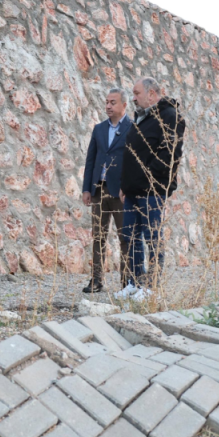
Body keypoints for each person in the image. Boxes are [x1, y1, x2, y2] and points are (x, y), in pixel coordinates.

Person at [118, 77, 186, 301]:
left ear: (152, 94)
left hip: (151, 191)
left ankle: (152, 287)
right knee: (132, 237)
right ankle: (135, 283)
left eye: (137, 93)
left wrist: (148, 181)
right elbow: (132, 154)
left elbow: (169, 155)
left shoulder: (170, 116)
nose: (134, 98)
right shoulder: (142, 118)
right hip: (132, 191)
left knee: (152, 237)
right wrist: (125, 185)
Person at [81, 88, 133, 293]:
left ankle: (127, 283)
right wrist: (87, 188)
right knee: (98, 236)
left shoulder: (133, 128)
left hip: (121, 193)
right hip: (99, 191)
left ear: (124, 105)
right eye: (107, 102)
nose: (108, 106)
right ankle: (96, 281)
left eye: (113, 102)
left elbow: (135, 163)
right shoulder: (99, 129)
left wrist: (129, 188)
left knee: (124, 238)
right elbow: (90, 160)